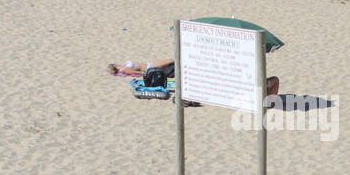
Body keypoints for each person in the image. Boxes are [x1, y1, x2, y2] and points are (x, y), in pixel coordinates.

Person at [108, 58, 279, 96]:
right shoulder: (125, 69)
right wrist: (144, 73)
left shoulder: (121, 67)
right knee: (174, 60)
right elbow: (135, 73)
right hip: (155, 68)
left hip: (155, 68)